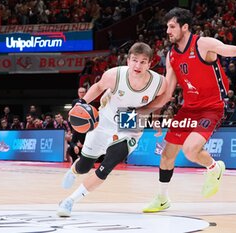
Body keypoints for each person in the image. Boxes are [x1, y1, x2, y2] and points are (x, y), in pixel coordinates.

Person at [142, 7, 236, 213]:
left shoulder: (203, 44)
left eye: (172, 26)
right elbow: (167, 93)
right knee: (166, 155)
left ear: (185, 27)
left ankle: (214, 167)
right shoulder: (172, 55)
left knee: (191, 150)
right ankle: (162, 198)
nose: (168, 31)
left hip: (212, 107)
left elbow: (233, 49)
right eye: (167, 27)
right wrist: (148, 111)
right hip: (189, 108)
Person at [56, 42, 167, 217]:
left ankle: (70, 201)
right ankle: (74, 170)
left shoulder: (159, 82)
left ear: (150, 63)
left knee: (108, 164)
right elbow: (98, 87)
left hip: (130, 121)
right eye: (134, 60)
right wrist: (82, 103)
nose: (138, 65)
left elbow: (159, 100)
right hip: (106, 118)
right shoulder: (114, 75)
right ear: (128, 60)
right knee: (85, 165)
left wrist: (154, 117)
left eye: (143, 62)